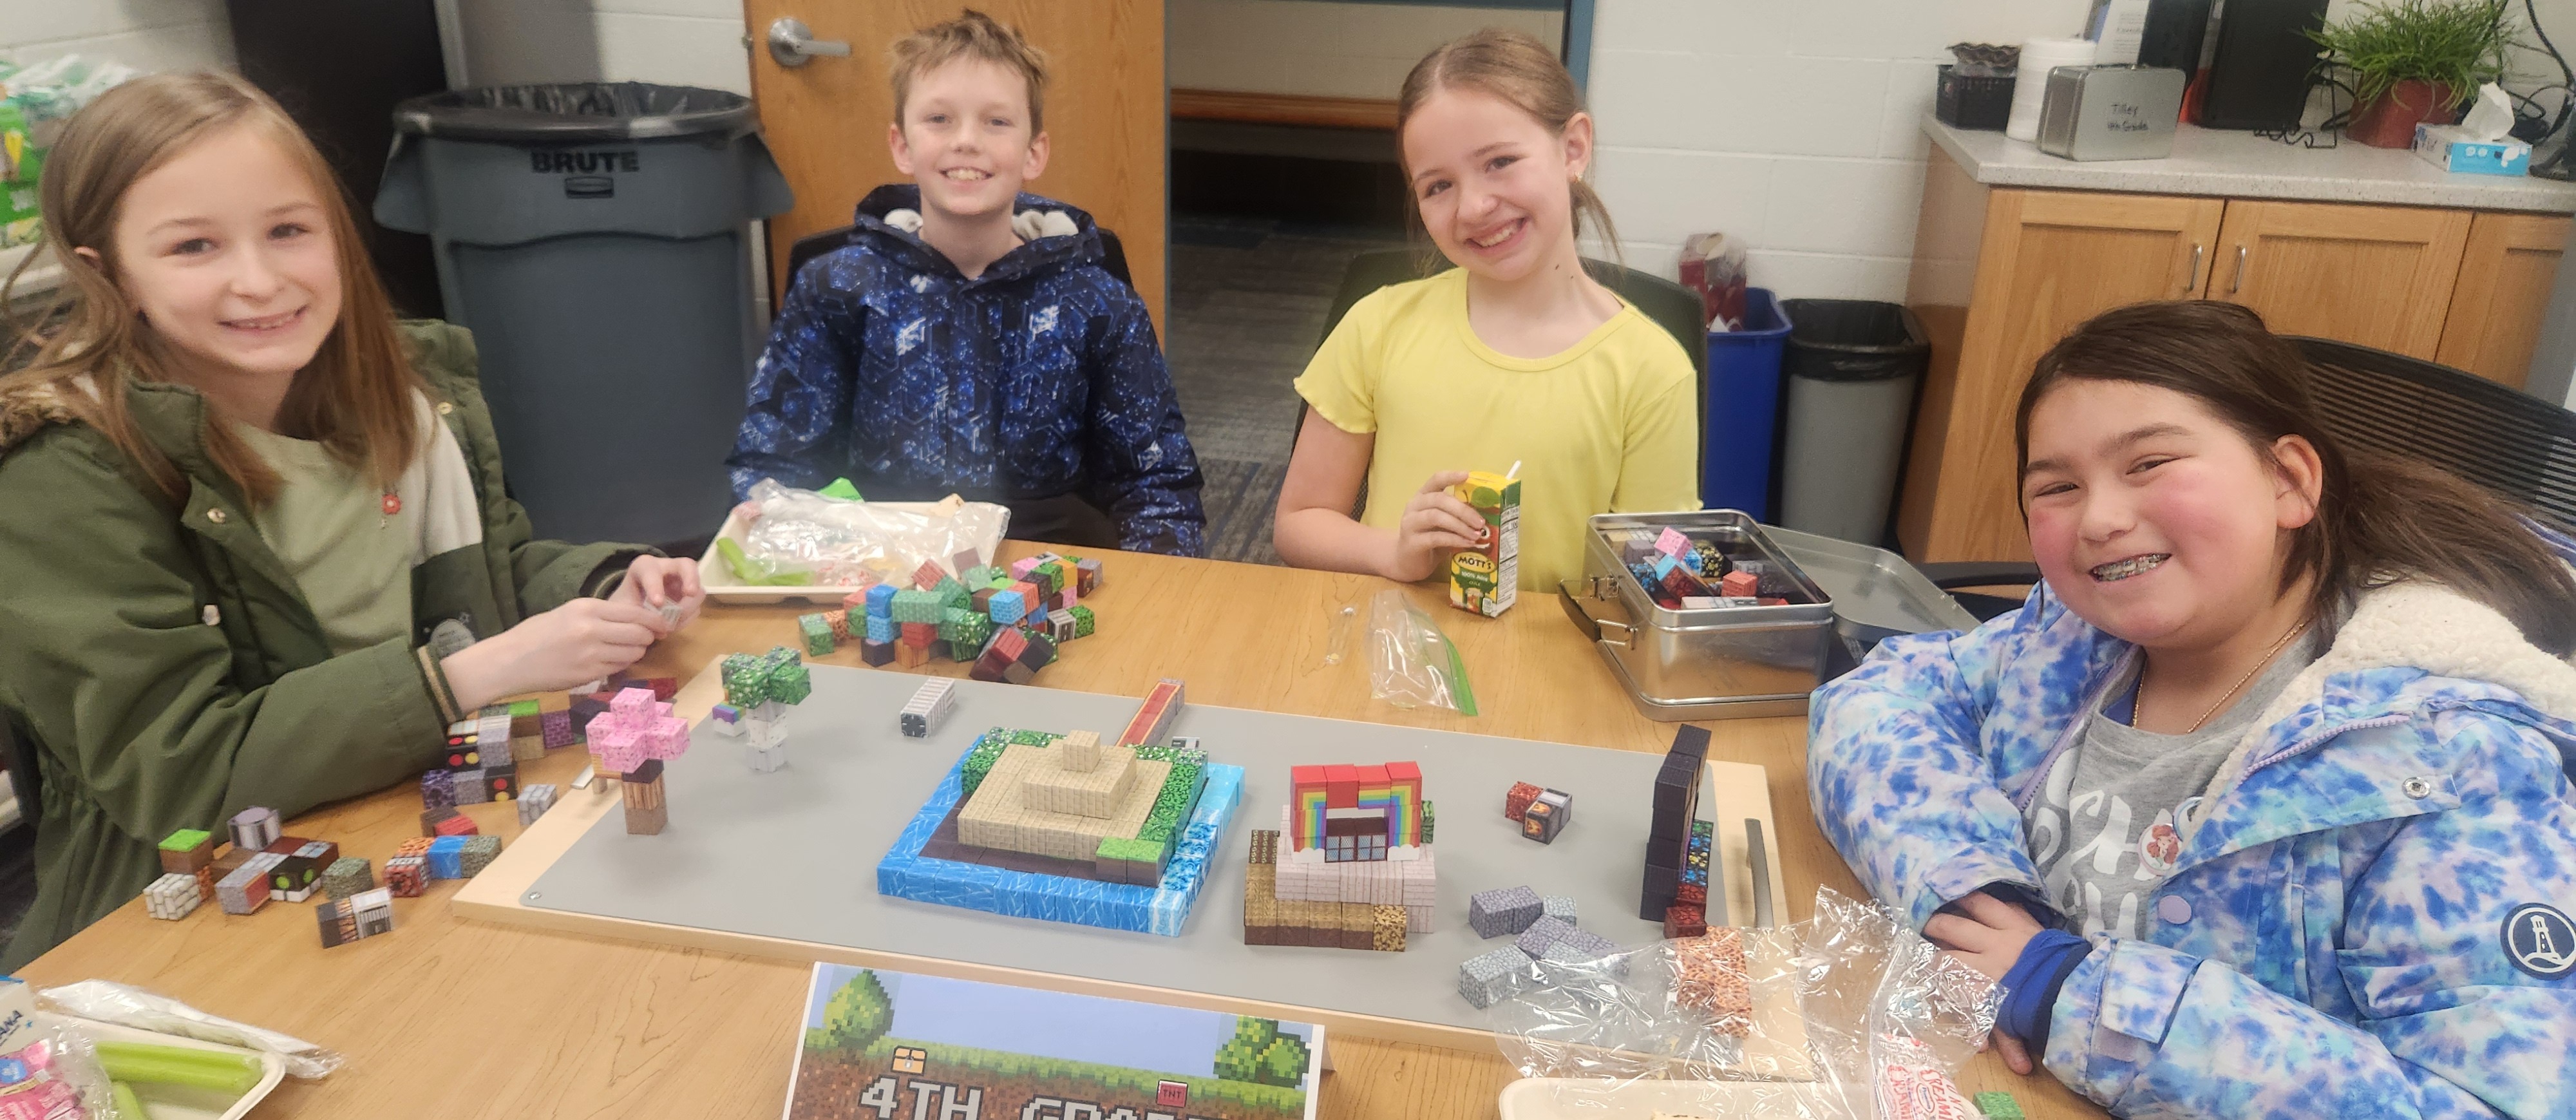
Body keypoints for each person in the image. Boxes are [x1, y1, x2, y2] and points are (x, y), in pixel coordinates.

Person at [0, 72, 705, 967]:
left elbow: (486, 576)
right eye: (194, 247)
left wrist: (609, 580)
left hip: (399, 827)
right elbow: (182, 772)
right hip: (186, 914)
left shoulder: (401, 396)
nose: (259, 280)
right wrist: (468, 674)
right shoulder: (62, 473)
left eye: (289, 230)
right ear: (107, 271)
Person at [1809, 300, 2576, 1117]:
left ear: (2287, 480)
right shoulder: (2068, 639)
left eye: (2148, 464)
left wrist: (2071, 994)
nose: (2100, 517)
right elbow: (1872, 698)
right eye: (2058, 486)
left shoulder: (2444, 759)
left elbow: (2492, 1103)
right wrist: (1969, 884)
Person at [725, 9, 1204, 556]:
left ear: (1035, 152)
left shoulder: (1097, 301)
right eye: (940, 119)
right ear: (901, 145)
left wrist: (1157, 598)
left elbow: (1157, 483)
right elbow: (776, 468)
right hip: (876, 560)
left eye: (997, 122)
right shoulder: (839, 287)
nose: (967, 142)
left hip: (1050, 562)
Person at [1271, 28, 1698, 593]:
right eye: (1438, 185)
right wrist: (1394, 551)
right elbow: (1298, 523)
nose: (1473, 207)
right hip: (1393, 659)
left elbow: (1657, 578)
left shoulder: (1652, 370)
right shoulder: (1378, 325)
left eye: (1499, 162)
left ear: (1573, 148)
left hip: (1555, 667)